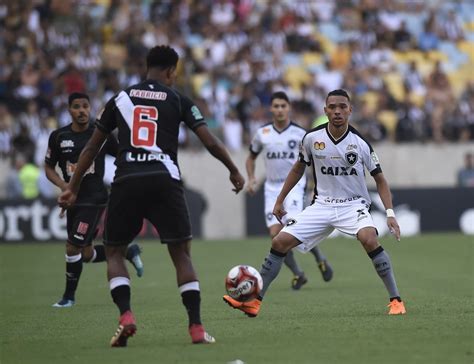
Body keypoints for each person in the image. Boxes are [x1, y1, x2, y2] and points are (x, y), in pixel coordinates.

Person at [58, 46, 245, 346]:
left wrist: (72, 187)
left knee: (115, 252)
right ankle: (196, 328)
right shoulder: (178, 98)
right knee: (181, 254)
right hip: (164, 179)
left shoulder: (120, 99)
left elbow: (91, 148)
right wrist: (233, 169)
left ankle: (126, 316)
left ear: (147, 68)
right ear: (171, 71)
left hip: (126, 179)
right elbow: (208, 140)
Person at [224, 89, 406, 317]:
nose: (337, 111)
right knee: (279, 241)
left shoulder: (360, 143)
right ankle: (254, 302)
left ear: (350, 110)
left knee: (369, 239)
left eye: (342, 107)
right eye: (333, 107)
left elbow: (381, 180)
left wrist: (389, 213)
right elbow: (298, 168)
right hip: (322, 206)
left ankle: (396, 300)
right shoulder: (311, 138)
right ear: (325, 110)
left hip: (353, 205)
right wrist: (280, 200)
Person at [45, 92, 144, 308]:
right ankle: (128, 251)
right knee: (87, 254)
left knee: (72, 248)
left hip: (95, 199)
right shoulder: (59, 137)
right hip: (73, 200)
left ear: (90, 108)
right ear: (69, 110)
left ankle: (68, 298)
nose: (81, 111)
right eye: (76, 107)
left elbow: (123, 156)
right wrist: (66, 188)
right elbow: (48, 168)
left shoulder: (100, 135)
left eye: (85, 106)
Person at [245, 91, 333, 291]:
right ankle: (298, 274)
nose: (279, 110)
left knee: (292, 230)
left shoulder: (300, 133)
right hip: (271, 188)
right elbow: (250, 157)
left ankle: (320, 259)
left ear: (289, 108)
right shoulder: (262, 133)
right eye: (276, 106)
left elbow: (313, 161)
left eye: (283, 106)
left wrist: (315, 184)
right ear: (271, 109)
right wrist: (251, 178)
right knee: (276, 235)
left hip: (294, 187)